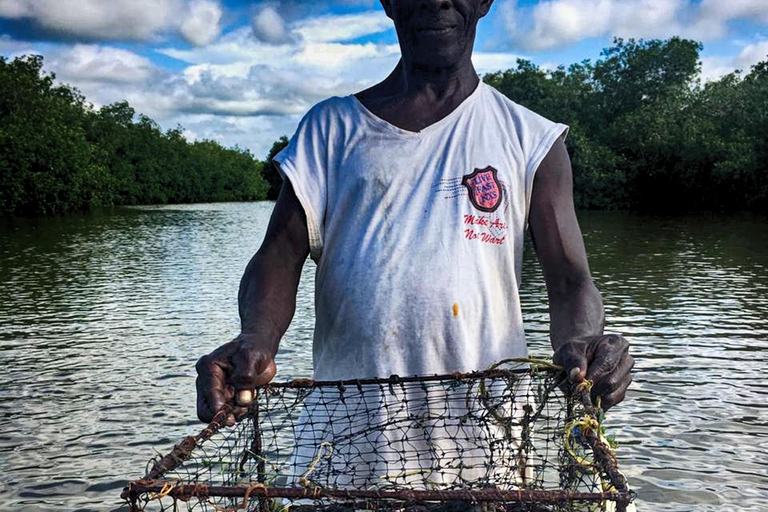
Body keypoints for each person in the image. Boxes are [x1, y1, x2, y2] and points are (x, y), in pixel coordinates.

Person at [195, 0, 634, 435]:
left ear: (484, 3)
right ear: (389, 2)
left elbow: (569, 279)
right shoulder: (329, 129)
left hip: (486, 443)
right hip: (344, 444)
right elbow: (278, 257)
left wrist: (582, 341)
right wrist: (256, 338)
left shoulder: (532, 139)